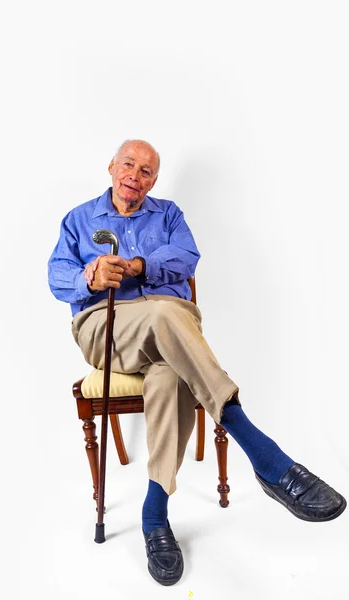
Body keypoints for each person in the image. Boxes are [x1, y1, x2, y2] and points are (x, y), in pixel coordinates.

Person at [48, 139, 346, 586]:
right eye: (128, 164)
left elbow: (186, 257)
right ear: (111, 166)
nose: (135, 175)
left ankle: (154, 515)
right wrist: (88, 275)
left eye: (147, 171)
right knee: (168, 312)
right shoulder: (78, 219)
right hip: (107, 330)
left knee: (170, 372)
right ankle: (264, 453)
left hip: (169, 335)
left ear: (154, 180)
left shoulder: (168, 215)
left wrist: (137, 265)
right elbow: (56, 276)